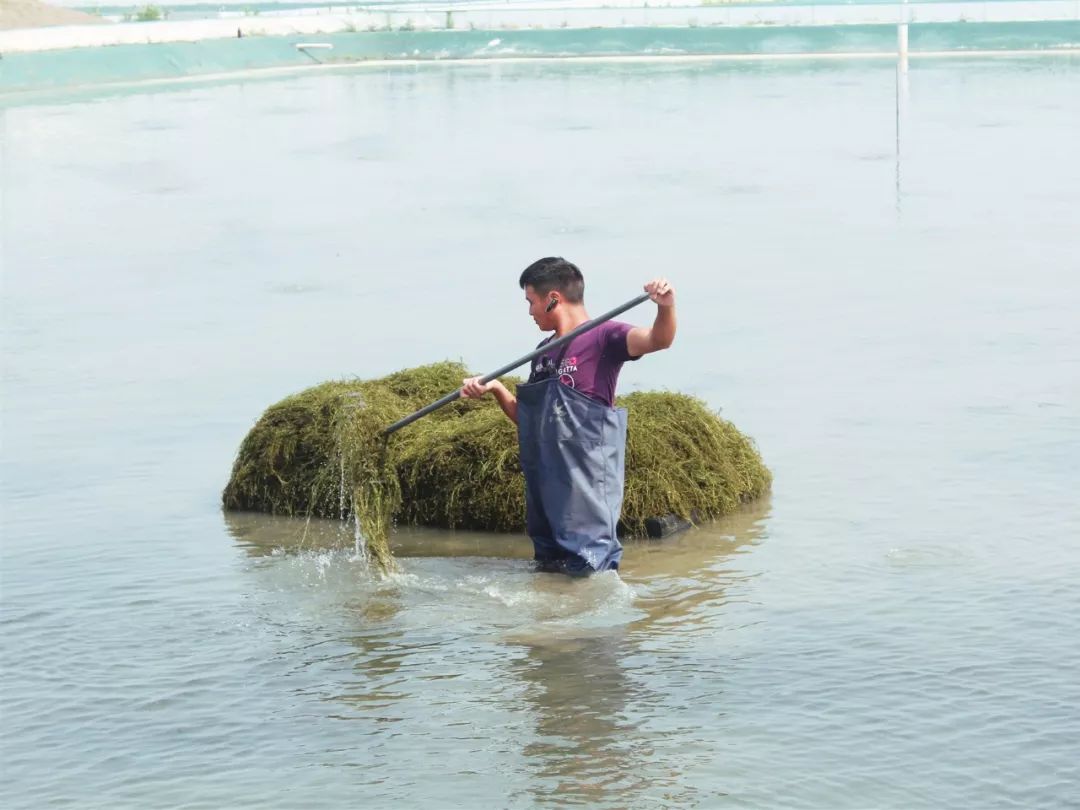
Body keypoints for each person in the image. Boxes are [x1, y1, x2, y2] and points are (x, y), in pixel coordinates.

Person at [461, 257, 676, 576]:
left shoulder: (604, 336)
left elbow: (659, 340)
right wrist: (495, 389)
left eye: (531, 302)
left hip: (585, 484)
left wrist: (665, 307)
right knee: (550, 574)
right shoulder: (542, 352)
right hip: (546, 486)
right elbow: (529, 420)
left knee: (591, 570)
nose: (530, 312)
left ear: (552, 300)